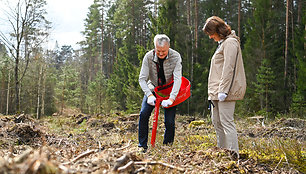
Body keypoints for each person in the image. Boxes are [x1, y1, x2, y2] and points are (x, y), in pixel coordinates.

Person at [202, 16, 246, 159]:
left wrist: (223, 90)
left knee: (227, 122)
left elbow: (229, 68)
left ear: (218, 30)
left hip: (225, 91)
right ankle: (222, 152)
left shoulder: (231, 43)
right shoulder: (223, 43)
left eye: (211, 34)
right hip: (216, 91)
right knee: (217, 123)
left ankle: (233, 155)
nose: (210, 37)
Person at [138, 34, 182, 152]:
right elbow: (142, 79)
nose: (161, 54)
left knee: (169, 121)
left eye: (163, 51)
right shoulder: (148, 57)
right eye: (158, 51)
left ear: (168, 47)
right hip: (153, 88)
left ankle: (167, 147)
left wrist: (172, 98)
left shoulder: (176, 57)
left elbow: (178, 79)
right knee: (143, 114)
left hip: (169, 90)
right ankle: (142, 146)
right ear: (154, 47)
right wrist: (149, 95)